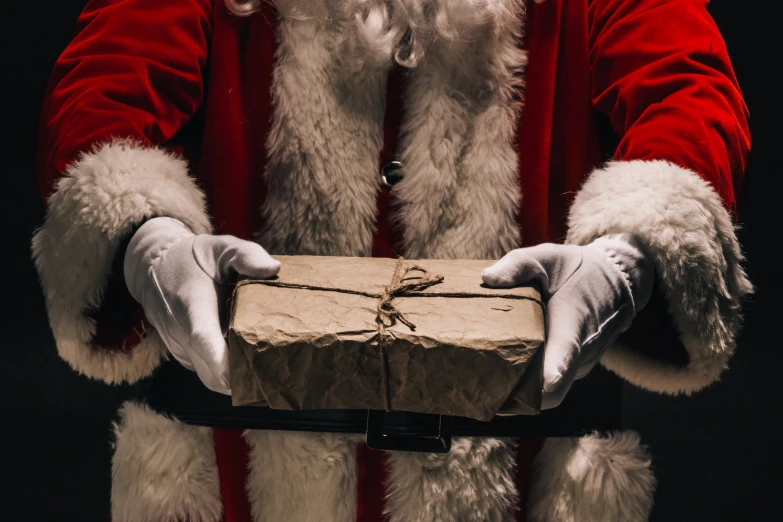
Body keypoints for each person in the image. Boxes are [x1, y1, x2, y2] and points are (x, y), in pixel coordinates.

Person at [32, 0, 751, 520]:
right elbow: (102, 91)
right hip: (231, 492)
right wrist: (142, 234)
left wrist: (630, 251)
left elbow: (688, 91)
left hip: (521, 492)